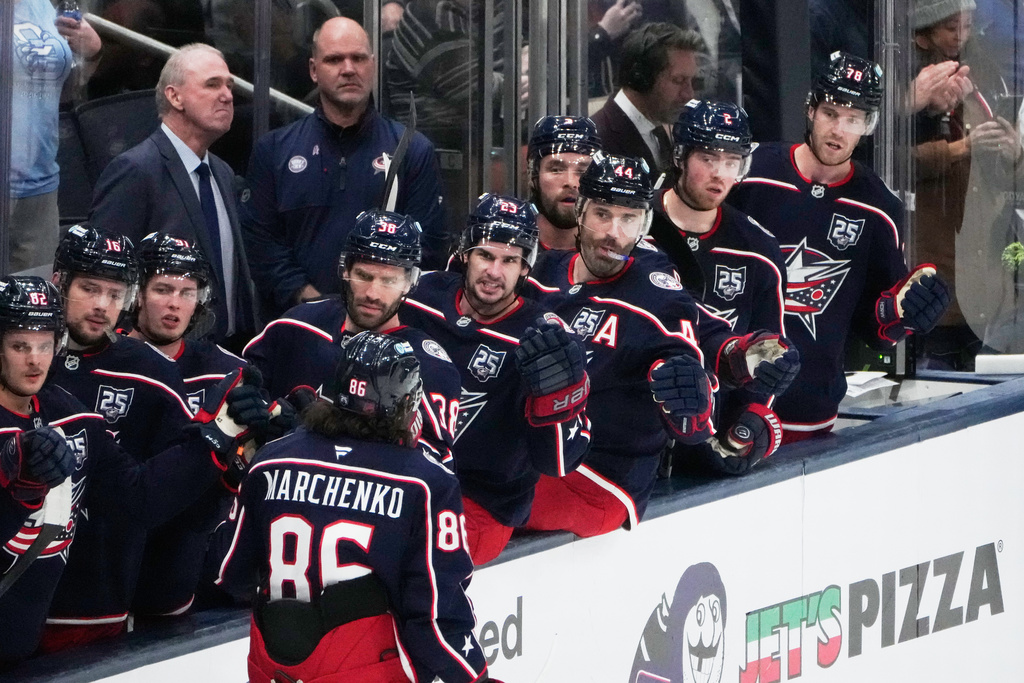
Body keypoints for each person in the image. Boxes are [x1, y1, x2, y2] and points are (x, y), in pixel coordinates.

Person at [0, 275, 267, 663]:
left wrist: (218, 434)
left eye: (44, 345)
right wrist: (13, 474)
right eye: (20, 346)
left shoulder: (71, 414)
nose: (35, 360)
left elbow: (139, 498)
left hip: (30, 636)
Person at [214, 331, 493, 683]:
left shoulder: (270, 459)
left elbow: (231, 572)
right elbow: (436, 617)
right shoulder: (425, 481)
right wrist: (475, 677)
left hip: (272, 665)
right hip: (365, 665)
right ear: (406, 402)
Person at [728, 52, 952, 441]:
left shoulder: (879, 208)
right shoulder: (747, 173)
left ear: (870, 125)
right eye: (830, 112)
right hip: (729, 399)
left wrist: (905, 314)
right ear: (810, 109)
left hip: (810, 409)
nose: (839, 129)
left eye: (853, 119)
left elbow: (878, 328)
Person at [40, 225, 226, 650]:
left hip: (94, 600)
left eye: (114, 292)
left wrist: (226, 452)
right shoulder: (22, 356)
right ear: (58, 281)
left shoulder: (151, 371)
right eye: (89, 289)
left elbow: (175, 504)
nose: (102, 306)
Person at [523, 152, 714, 536]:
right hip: (530, 457)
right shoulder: (538, 274)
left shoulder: (659, 298)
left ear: (644, 224)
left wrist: (693, 402)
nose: (614, 232)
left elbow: (696, 418)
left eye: (629, 219)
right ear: (580, 211)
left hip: (600, 482)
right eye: (603, 214)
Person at [401, 194, 592, 564]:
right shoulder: (421, 294)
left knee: (398, 556)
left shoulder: (543, 338)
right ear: (465, 254)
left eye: (509, 260)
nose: (494, 272)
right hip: (402, 475)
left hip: (479, 506)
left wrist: (556, 399)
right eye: (486, 256)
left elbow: (557, 462)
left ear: (525, 267)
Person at [242, 17, 448, 319]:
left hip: (386, 328)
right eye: (335, 59)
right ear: (314, 70)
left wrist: (377, 299)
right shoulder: (274, 151)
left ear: (373, 65)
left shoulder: (413, 150)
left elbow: (428, 246)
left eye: (359, 58)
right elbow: (261, 243)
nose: (349, 69)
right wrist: (307, 298)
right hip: (298, 327)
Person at [243, 210, 462, 466]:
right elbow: (244, 397)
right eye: (364, 276)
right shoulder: (295, 326)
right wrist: (261, 421)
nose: (372, 293)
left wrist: (313, 436)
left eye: (388, 281)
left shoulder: (428, 364)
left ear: (409, 284)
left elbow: (436, 465)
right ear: (345, 270)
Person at [648, 100, 795, 474]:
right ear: (680, 155)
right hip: (636, 439)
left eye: (732, 161)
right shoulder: (634, 227)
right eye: (708, 158)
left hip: (709, 446)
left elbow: (768, 354)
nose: (719, 174)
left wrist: (751, 424)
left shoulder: (759, 249)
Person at [89, 43, 257, 351]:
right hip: (158, 360)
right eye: (213, 84)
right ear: (174, 96)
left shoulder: (222, 172)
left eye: (230, 86)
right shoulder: (135, 170)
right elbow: (105, 278)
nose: (228, 95)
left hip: (224, 356)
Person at [126, 232, 252, 617]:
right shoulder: (109, 361)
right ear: (137, 293)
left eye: (187, 291)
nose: (174, 304)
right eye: (163, 289)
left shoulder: (227, 370)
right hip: (110, 554)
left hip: (189, 560)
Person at [10, 0, 101, 272]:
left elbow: (64, 91)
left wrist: (91, 52)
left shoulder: (41, 5)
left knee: (32, 304)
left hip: (39, 184)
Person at [591, 22, 707, 177]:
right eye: (678, 80)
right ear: (642, 78)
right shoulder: (597, 141)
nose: (688, 94)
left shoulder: (658, 130)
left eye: (691, 82)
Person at [526, 116, 602, 251]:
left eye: (583, 171)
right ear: (533, 176)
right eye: (556, 170)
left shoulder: (619, 254)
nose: (571, 182)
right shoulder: (504, 252)